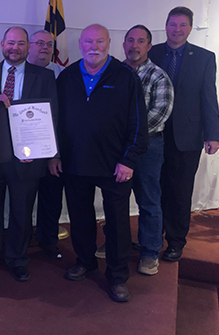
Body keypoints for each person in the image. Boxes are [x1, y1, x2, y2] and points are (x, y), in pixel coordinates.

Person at [50, 24, 147, 303]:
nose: (94, 46)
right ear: (81, 44)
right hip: (75, 162)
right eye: (89, 41)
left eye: (100, 41)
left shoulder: (126, 77)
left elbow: (138, 124)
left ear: (109, 43)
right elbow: (54, 121)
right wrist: (55, 155)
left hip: (115, 165)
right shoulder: (66, 77)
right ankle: (86, 262)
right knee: (80, 217)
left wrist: (128, 160)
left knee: (117, 223)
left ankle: (117, 276)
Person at [0, 27, 57, 282]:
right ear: (1, 44)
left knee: (21, 210)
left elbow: (52, 115)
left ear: (28, 47)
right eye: (11, 43)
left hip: (27, 157)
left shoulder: (44, 76)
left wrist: (45, 152)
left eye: (20, 43)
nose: (15, 48)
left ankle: (17, 258)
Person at [149, 7, 219, 262]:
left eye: (182, 25)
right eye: (172, 24)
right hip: (153, 134)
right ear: (165, 25)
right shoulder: (152, 52)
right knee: (154, 188)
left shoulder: (204, 57)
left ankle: (176, 241)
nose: (176, 30)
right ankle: (152, 237)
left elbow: (208, 97)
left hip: (187, 136)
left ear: (190, 28)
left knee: (179, 190)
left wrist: (213, 134)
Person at [118, 24, 173, 275]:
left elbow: (158, 114)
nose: (134, 45)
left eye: (141, 41)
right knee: (115, 199)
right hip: (116, 146)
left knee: (149, 199)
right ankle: (115, 243)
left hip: (149, 147)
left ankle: (150, 251)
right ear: (123, 44)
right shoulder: (113, 73)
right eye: (130, 40)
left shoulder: (159, 77)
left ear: (149, 47)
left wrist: (129, 137)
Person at [27, 29, 67, 260]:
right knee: (23, 197)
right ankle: (21, 238)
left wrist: (56, 152)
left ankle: (48, 239)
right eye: (39, 43)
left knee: (52, 196)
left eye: (49, 45)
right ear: (29, 46)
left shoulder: (63, 75)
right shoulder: (17, 73)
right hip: (24, 148)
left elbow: (64, 117)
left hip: (53, 148)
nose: (44, 48)